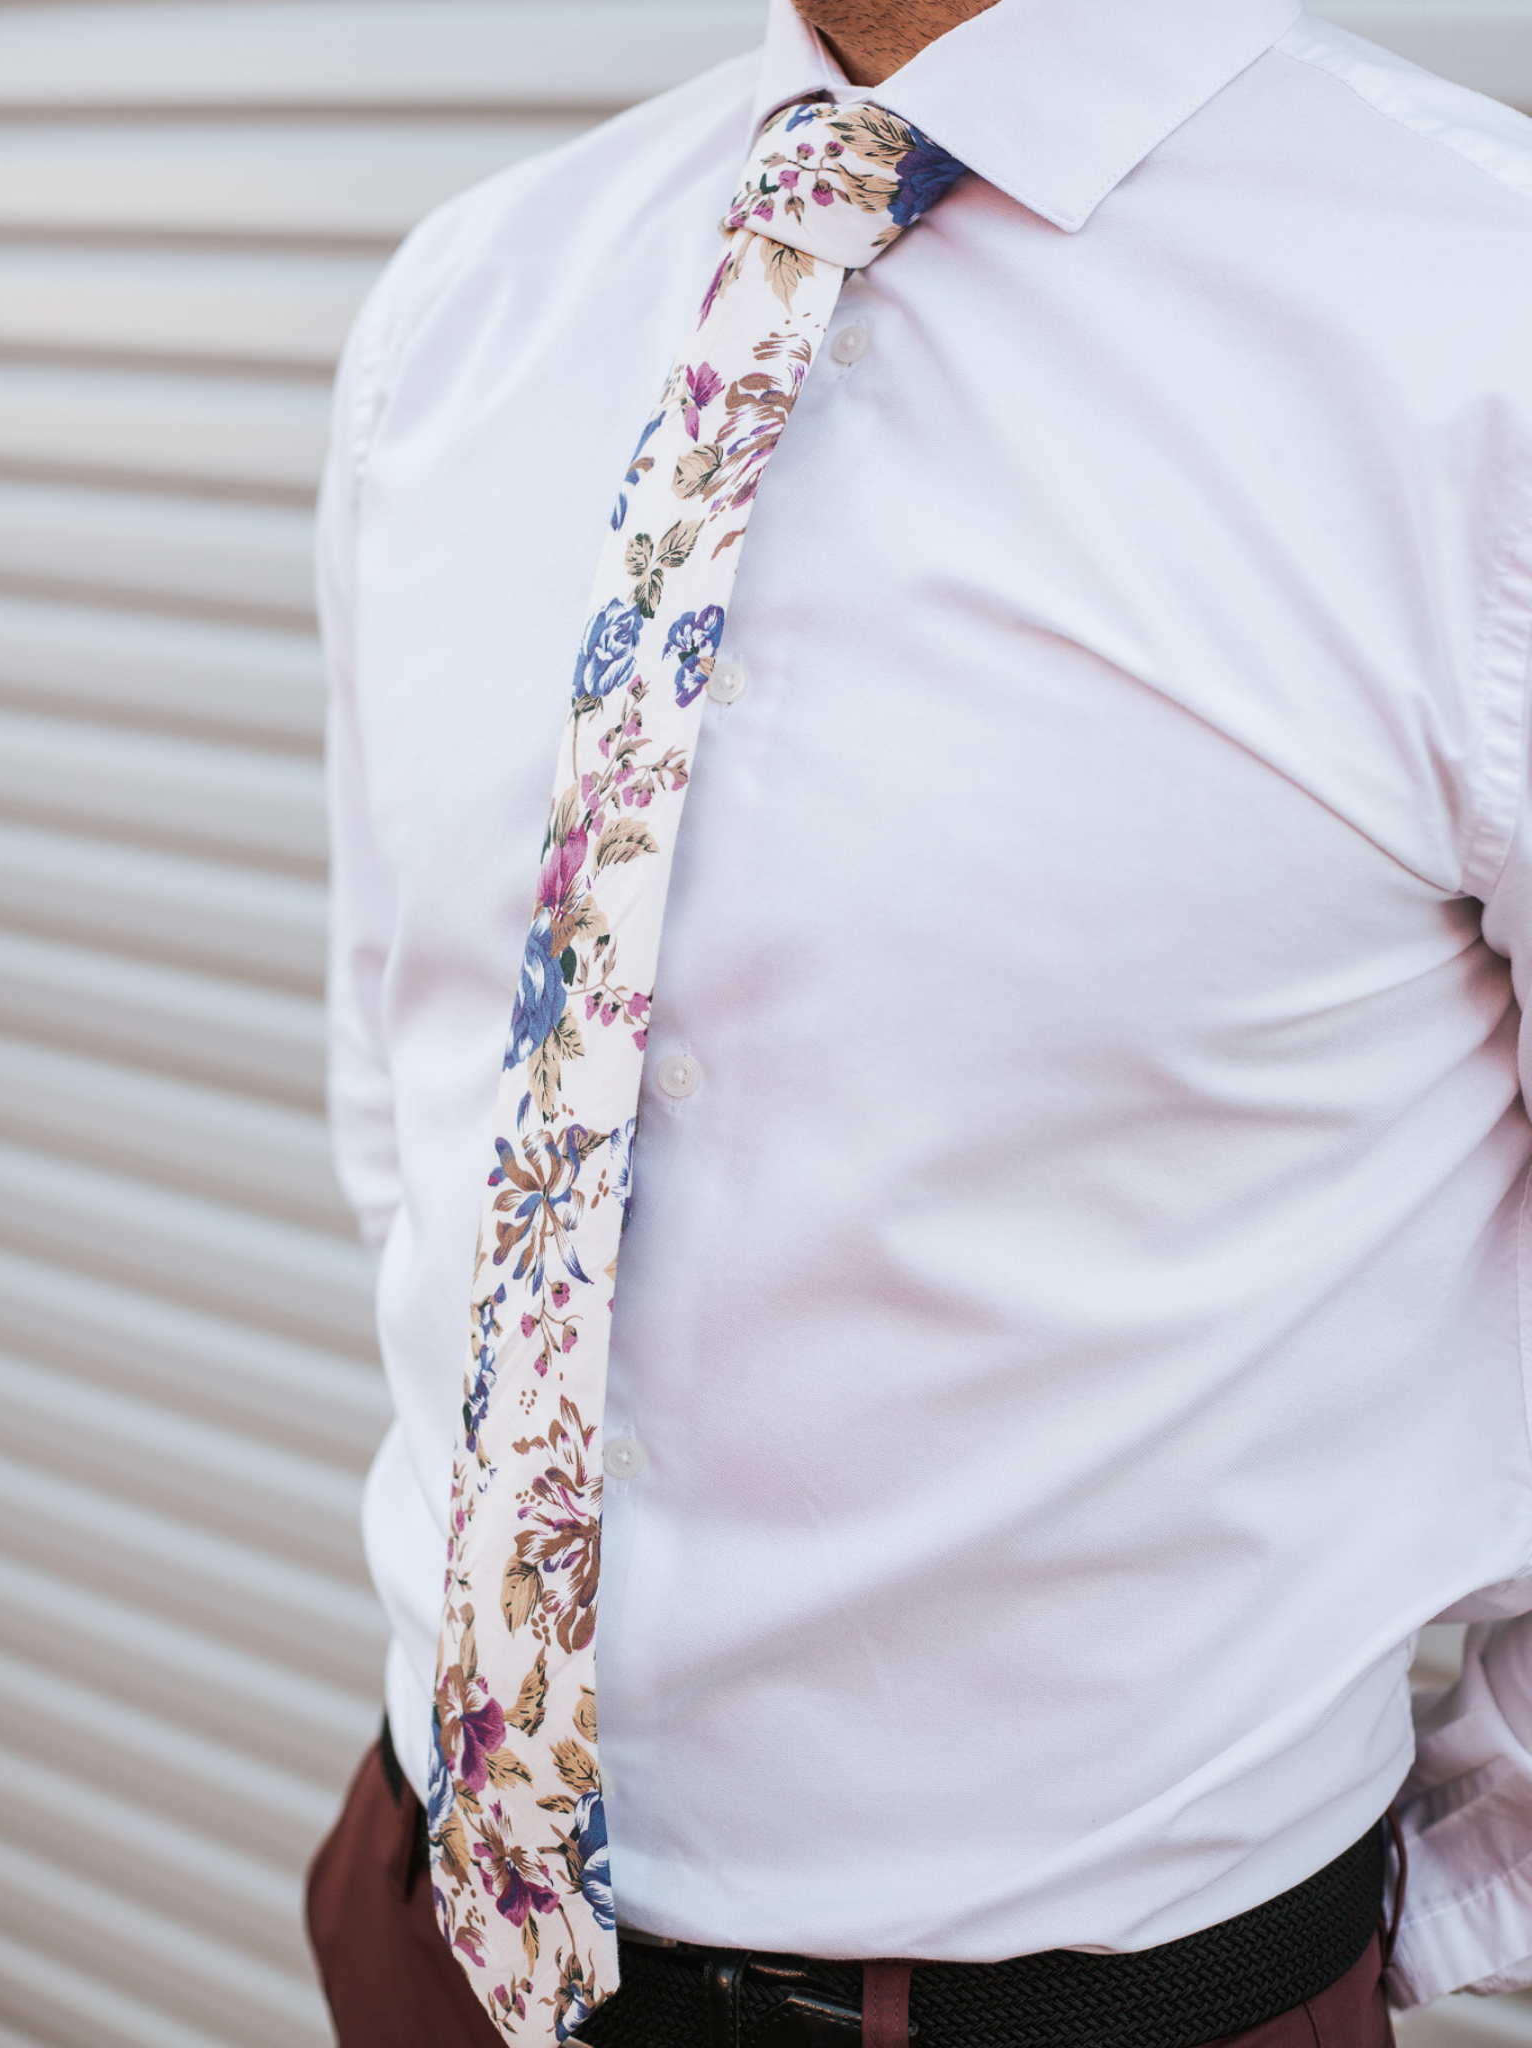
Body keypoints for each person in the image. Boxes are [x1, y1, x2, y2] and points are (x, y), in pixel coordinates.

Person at [305, 0, 1532, 2040]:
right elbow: (416, 1107)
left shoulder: (1481, 319)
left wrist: (1415, 1907)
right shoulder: (468, 306)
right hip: (433, 1931)